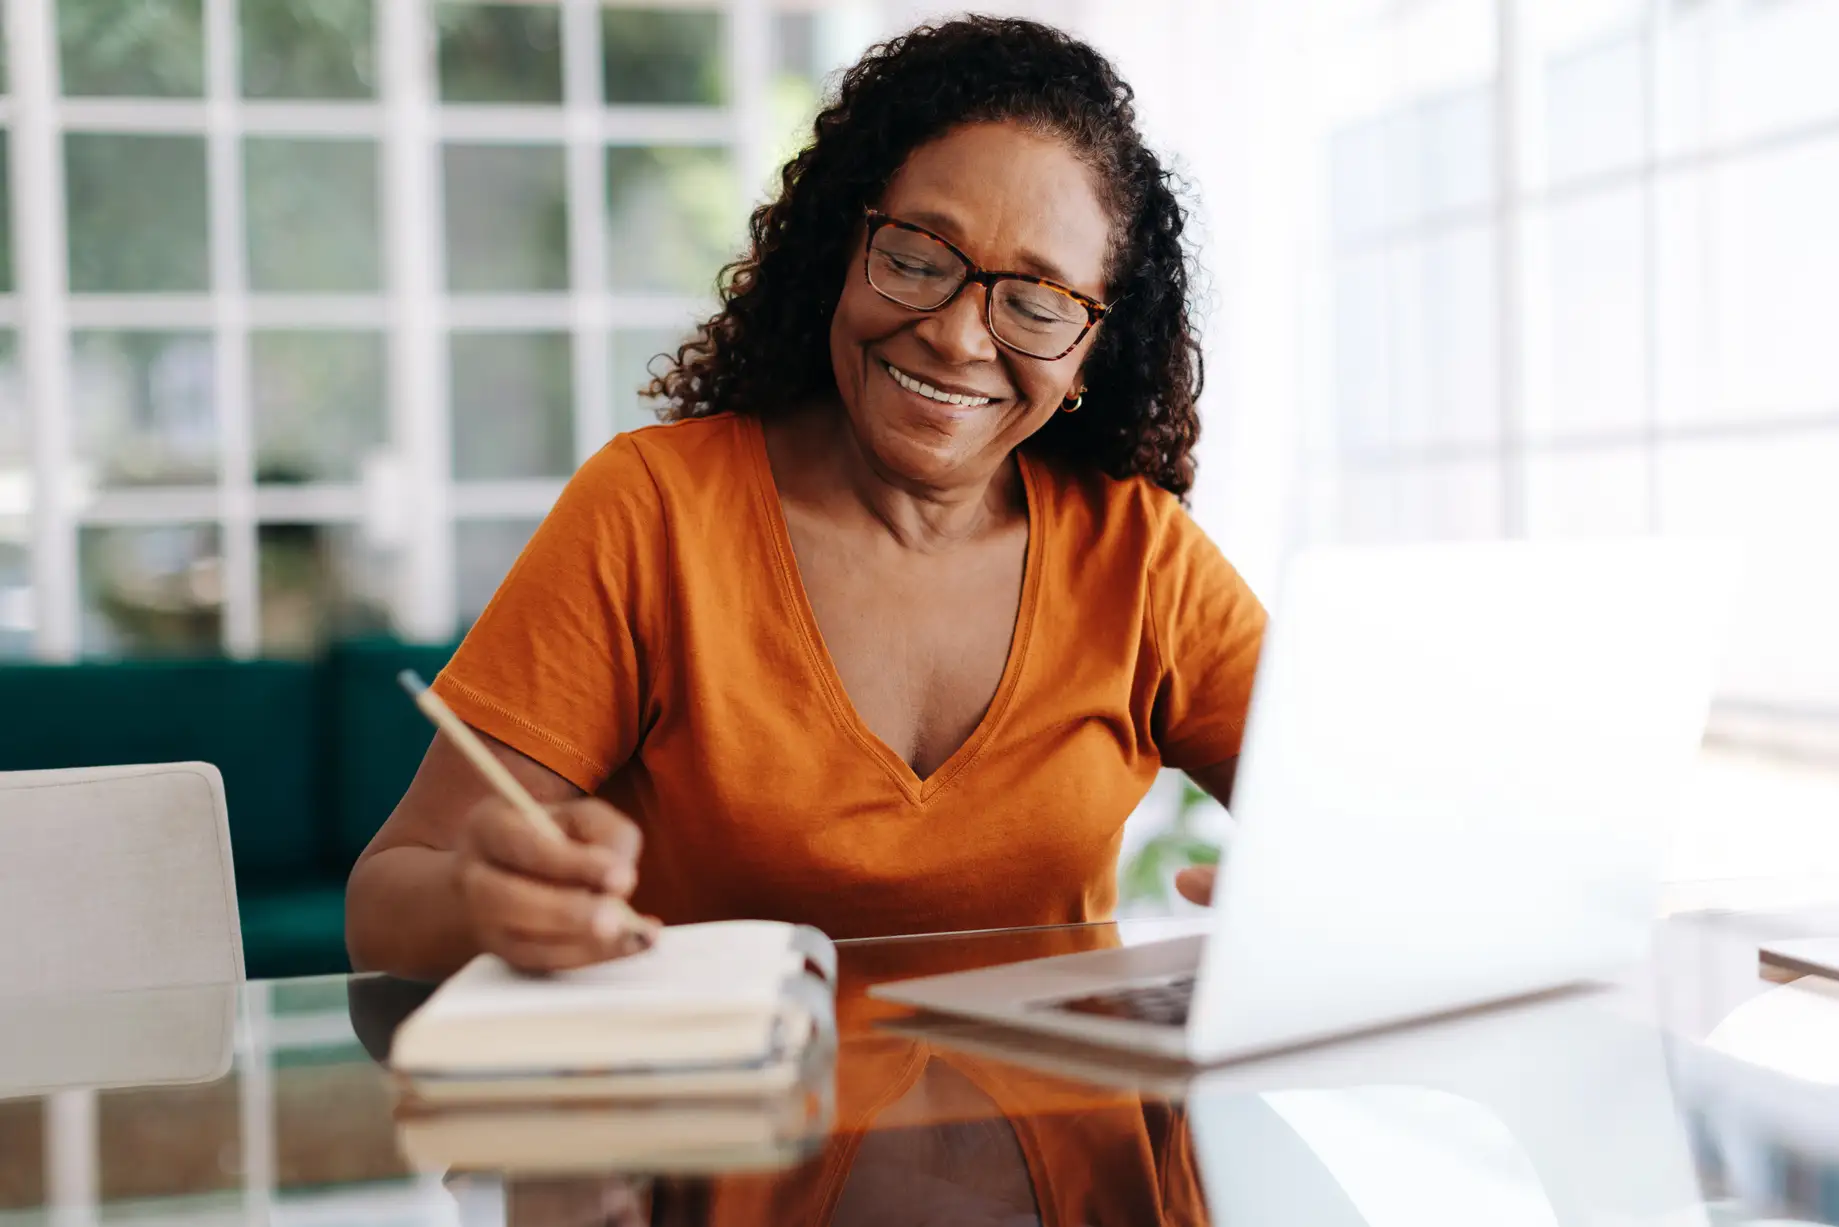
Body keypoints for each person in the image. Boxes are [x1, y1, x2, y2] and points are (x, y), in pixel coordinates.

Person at [345, 16, 1264, 980]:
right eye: (915, 258)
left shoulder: (1139, 556)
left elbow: (1375, 833)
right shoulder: (655, 511)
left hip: (1066, 1129)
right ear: (841, 246)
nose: (956, 337)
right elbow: (387, 898)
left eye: (1034, 304)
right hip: (728, 1120)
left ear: (1088, 352)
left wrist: (1313, 893)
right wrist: (482, 903)